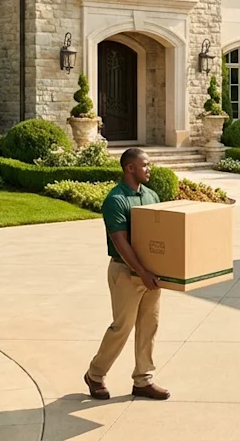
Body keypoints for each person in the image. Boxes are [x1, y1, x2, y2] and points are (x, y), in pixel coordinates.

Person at [84, 148, 171, 401]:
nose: (149, 169)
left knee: (149, 325)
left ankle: (143, 380)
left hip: (151, 273)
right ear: (129, 168)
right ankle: (95, 375)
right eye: (144, 165)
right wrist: (141, 271)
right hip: (125, 271)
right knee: (122, 327)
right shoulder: (116, 200)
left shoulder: (152, 196)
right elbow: (121, 242)